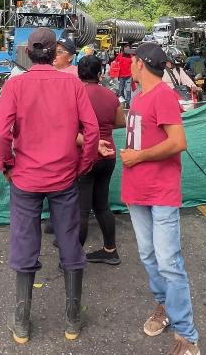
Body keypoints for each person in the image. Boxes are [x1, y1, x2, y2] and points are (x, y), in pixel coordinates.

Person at [0, 28, 105, 344]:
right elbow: (92, 132)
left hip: (25, 179)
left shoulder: (15, 85)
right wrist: (82, 165)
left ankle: (22, 322)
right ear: (55, 52)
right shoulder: (72, 84)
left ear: (27, 52)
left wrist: (6, 166)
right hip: (64, 178)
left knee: (25, 242)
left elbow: (1, 135)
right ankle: (71, 321)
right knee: (69, 242)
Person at [119, 43, 202, 355]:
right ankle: (164, 306)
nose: (128, 65)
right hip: (136, 190)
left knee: (168, 261)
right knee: (148, 256)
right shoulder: (137, 96)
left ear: (140, 64)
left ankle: (187, 336)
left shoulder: (163, 95)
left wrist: (138, 157)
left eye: (131, 61)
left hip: (161, 191)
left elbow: (178, 142)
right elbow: (139, 139)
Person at [76, 55, 124, 265]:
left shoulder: (75, 96)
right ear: (99, 74)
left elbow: (66, 127)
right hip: (108, 156)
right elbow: (120, 122)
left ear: (79, 74)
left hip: (84, 156)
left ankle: (74, 257)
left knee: (81, 210)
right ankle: (110, 249)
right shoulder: (111, 95)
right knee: (102, 206)